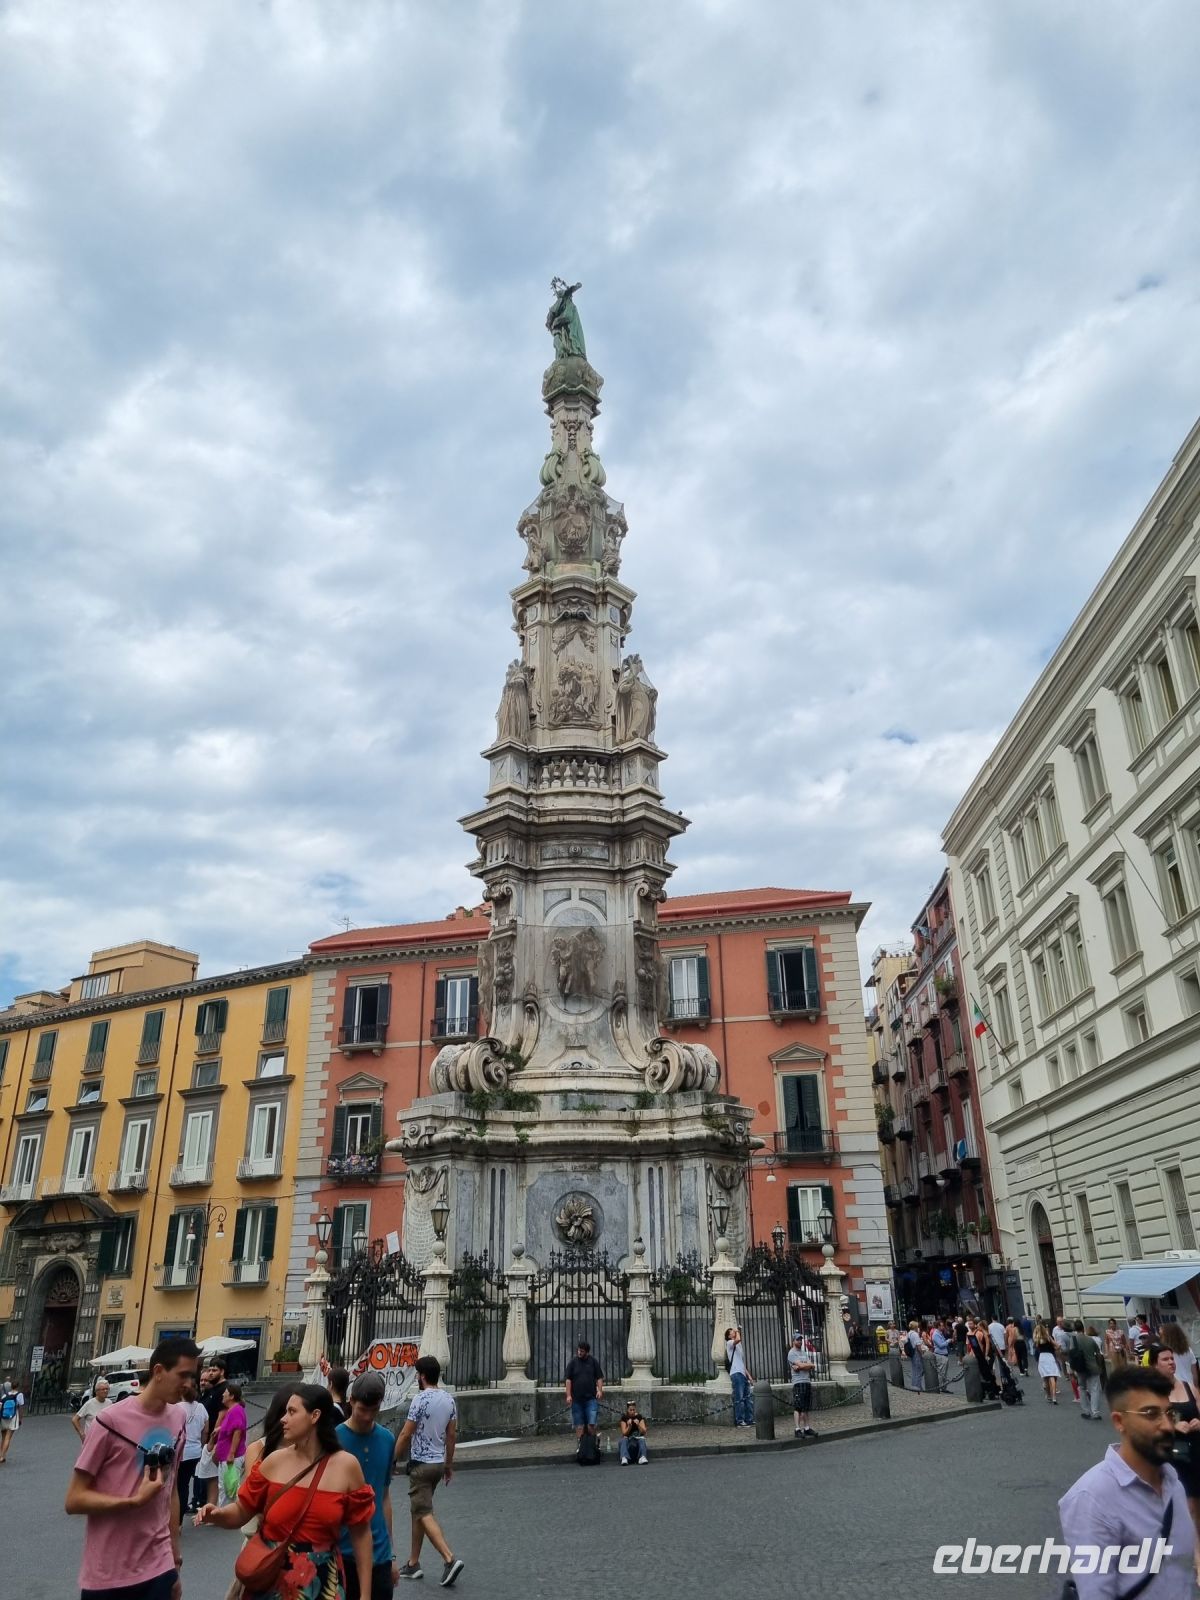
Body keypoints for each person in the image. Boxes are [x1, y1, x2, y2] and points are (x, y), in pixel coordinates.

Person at [197, 1383, 373, 1600]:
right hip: (271, 1575)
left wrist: (365, 1595)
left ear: (314, 1416)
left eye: (292, 1412)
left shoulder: (347, 1466)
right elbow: (243, 1510)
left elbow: (361, 1534)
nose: (283, 1419)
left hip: (320, 1582)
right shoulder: (273, 1462)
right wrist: (217, 1514)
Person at [65, 1335, 200, 1600]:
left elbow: (170, 1490)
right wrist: (133, 1501)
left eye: (192, 1376)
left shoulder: (179, 1418)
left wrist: (175, 1558)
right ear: (158, 1371)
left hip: (159, 1565)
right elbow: (74, 1499)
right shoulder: (109, 1421)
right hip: (109, 1572)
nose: (188, 1384)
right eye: (182, 1375)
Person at [1059, 1363, 1196, 1596]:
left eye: (1169, 1413)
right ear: (1119, 1421)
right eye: (1151, 1414)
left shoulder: (1173, 1481)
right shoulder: (1091, 1498)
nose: (1166, 1425)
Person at [219, 1383, 300, 1600]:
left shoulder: (307, 1449)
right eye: (289, 1411)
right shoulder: (260, 1448)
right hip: (264, 1539)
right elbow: (252, 1499)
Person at [391, 1354, 463, 1587]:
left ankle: (449, 1559)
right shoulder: (449, 1400)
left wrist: (392, 1459)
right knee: (418, 1511)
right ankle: (413, 1563)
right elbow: (452, 1436)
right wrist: (449, 1465)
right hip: (438, 1463)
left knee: (423, 1512)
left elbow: (405, 1433)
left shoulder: (420, 1400)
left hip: (421, 1464)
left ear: (421, 1377)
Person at [336, 1372, 398, 1598]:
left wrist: (392, 1555)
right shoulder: (334, 1440)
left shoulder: (388, 1439)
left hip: (380, 1553)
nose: (368, 1416)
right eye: (363, 1409)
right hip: (343, 1552)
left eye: (374, 1410)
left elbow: (384, 1497)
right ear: (351, 1401)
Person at [1148, 1344, 1200, 1583]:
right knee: (1186, 1506)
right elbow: (1147, 1427)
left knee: (1196, 1507)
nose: (1171, 1362)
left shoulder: (1188, 1386)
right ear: (1154, 1364)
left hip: (1196, 1451)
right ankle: (1196, 1558)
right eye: (1165, 1359)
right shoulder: (1151, 1393)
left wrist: (1198, 1420)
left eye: (1172, 1359)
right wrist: (1173, 1426)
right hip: (1171, 1455)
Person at [193, 1358, 226, 1510]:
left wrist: (214, 1437)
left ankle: (211, 1505)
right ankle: (206, 1503)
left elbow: (222, 1414)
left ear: (222, 1371)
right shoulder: (212, 1389)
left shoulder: (223, 1389)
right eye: (210, 1370)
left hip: (214, 1438)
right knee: (207, 1474)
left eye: (215, 1370)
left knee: (212, 1475)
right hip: (208, 1438)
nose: (212, 1373)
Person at [213, 1381, 248, 1508]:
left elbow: (237, 1430)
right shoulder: (233, 1410)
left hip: (230, 1455)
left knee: (230, 1486)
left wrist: (231, 1453)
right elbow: (232, 1427)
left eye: (225, 1393)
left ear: (232, 1396)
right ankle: (224, 1512)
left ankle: (228, 1513)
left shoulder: (236, 1410)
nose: (223, 1394)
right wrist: (220, 1429)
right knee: (225, 1485)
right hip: (225, 1455)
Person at [565, 1338, 606, 1445]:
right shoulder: (573, 1363)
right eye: (578, 1350)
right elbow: (568, 1379)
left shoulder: (593, 1362)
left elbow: (599, 1377)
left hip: (591, 1399)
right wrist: (568, 1395)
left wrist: (600, 1390)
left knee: (591, 1424)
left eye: (582, 1351)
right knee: (579, 1425)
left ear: (587, 1352)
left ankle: (593, 1444)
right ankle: (580, 1445)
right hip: (576, 1399)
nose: (579, 1352)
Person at [177, 1377, 207, 1521]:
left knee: (177, 1486)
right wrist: (201, 1445)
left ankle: (176, 1519)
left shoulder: (176, 1408)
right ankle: (180, 1519)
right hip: (195, 1451)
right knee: (185, 1484)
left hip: (181, 1452)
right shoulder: (201, 1407)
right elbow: (205, 1430)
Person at [1070, 1320, 1105, 1420]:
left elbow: (1072, 1354)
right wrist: (1099, 1365)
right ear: (1083, 1328)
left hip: (1081, 1367)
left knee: (1082, 1388)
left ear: (1075, 1329)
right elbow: (1098, 1353)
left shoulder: (1073, 1340)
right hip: (1093, 1367)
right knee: (1095, 1389)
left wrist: (1072, 1368)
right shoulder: (1090, 1340)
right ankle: (1096, 1412)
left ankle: (1086, 1411)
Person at [788, 1331, 817, 1435]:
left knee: (806, 1407)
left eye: (800, 1339)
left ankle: (807, 1427)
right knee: (798, 1407)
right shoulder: (791, 1353)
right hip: (798, 1382)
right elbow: (801, 1365)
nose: (800, 1341)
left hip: (806, 1381)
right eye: (798, 1340)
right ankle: (797, 1429)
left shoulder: (804, 1352)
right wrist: (805, 1365)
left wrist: (804, 1366)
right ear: (793, 1341)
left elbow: (809, 1365)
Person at [724, 1326, 754, 1427]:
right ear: (729, 1336)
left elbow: (741, 1362)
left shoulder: (739, 1345)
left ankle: (749, 1419)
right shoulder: (729, 1343)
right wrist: (737, 1330)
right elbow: (738, 1339)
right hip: (736, 1374)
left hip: (742, 1373)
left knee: (748, 1399)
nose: (734, 1332)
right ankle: (740, 1421)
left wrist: (748, 1375)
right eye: (732, 1332)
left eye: (734, 1331)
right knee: (739, 1398)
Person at [969, 1319, 1000, 1399]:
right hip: (988, 1355)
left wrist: (985, 1355)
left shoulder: (985, 1334)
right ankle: (993, 1389)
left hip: (988, 1355)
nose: (977, 1327)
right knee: (988, 1373)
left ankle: (992, 1389)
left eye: (978, 1326)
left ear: (981, 1326)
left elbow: (987, 1345)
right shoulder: (985, 1333)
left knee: (988, 1372)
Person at [1054, 1315, 1082, 1403]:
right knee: (1080, 1374)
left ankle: (1077, 1396)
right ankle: (1083, 1390)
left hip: (1070, 1358)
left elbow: (1065, 1350)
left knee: (1072, 1376)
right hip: (1079, 1356)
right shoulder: (1076, 1334)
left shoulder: (1062, 1335)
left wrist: (1060, 1351)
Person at [1161, 1323, 1198, 1388]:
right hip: (1190, 1384)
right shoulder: (1188, 1350)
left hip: (1176, 1387)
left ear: (1167, 1336)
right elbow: (1194, 1373)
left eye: (1162, 1335)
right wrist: (1196, 1387)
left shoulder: (1165, 1353)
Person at [1034, 1319, 1061, 1404]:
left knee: (1045, 1377)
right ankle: (1054, 1397)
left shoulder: (1037, 1339)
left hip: (1042, 1357)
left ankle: (1048, 1395)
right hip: (1050, 1357)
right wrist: (1057, 1347)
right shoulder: (1048, 1337)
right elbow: (1057, 1346)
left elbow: (1036, 1349)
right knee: (1052, 1376)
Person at [0, 1374, 26, 1462]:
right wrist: (20, 1419)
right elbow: (21, 1407)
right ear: (18, 1386)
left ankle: (0, 1453)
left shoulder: (5, 1395)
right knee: (8, 1438)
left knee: (3, 1437)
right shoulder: (19, 1395)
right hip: (13, 1417)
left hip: (3, 1417)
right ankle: (2, 1456)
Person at [618, 1400, 648, 1465]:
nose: (632, 1412)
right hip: (628, 1442)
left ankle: (642, 1457)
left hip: (636, 1442)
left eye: (633, 1410)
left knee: (642, 1439)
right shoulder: (624, 1418)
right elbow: (624, 1433)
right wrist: (629, 1427)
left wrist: (638, 1425)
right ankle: (624, 1457)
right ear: (627, 1410)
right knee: (623, 1439)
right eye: (630, 1410)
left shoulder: (639, 1417)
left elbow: (644, 1432)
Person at [930, 1320, 951, 1393]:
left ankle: (944, 1388)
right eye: (941, 1325)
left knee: (944, 1372)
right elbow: (940, 1345)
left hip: (944, 1354)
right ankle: (940, 1387)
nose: (943, 1327)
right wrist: (948, 1341)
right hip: (940, 1355)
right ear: (938, 1326)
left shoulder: (940, 1333)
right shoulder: (935, 1334)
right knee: (941, 1372)